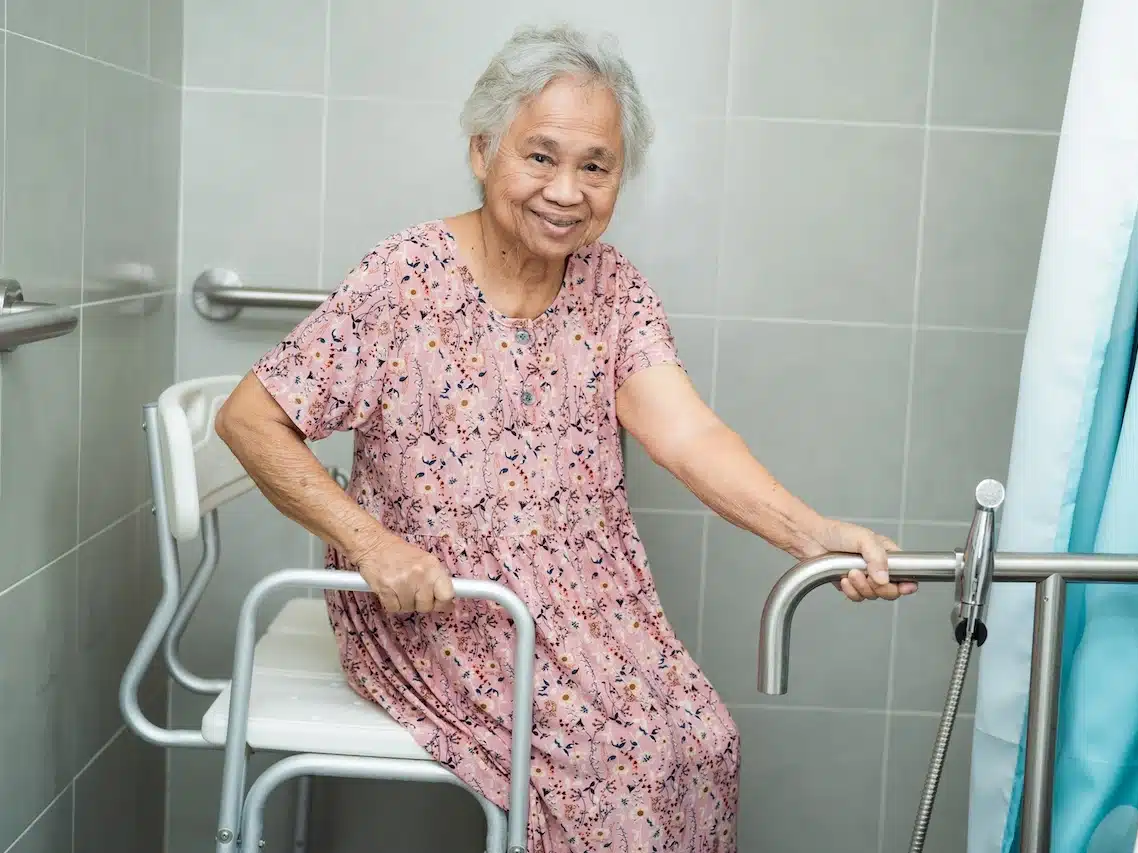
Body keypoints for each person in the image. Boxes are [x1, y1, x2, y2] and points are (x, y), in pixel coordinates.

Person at [215, 23, 916, 853]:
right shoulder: (406, 277)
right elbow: (249, 417)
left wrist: (815, 537)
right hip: (442, 605)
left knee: (705, 739)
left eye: (596, 166)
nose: (566, 190)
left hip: (591, 605)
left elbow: (689, 434)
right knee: (620, 774)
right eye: (539, 156)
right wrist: (370, 546)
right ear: (483, 152)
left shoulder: (613, 290)